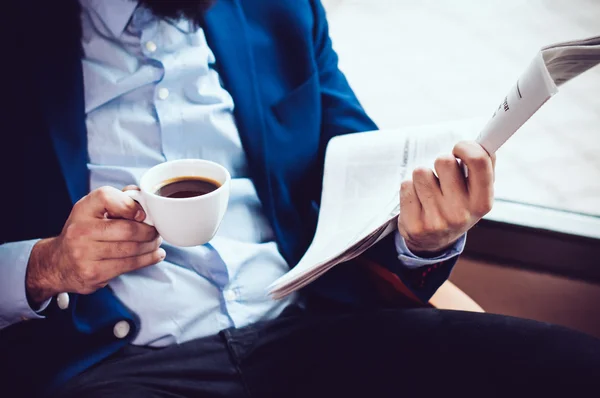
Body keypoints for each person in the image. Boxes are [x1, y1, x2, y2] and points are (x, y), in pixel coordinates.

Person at [1, 0, 599, 397]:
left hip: (310, 334)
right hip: (117, 369)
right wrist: (45, 265)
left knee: (573, 370)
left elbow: (363, 172)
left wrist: (423, 238)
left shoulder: (278, 9)